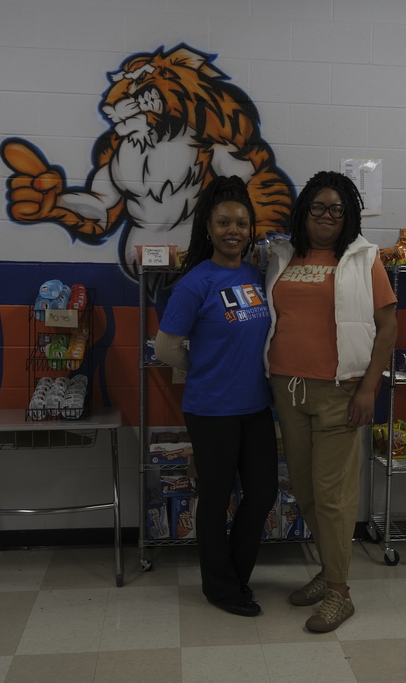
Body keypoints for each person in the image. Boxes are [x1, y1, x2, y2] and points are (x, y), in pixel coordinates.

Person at [263, 170, 398, 633]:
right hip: (288, 388)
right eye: (318, 207)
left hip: (340, 391)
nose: (326, 217)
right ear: (305, 211)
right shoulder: (283, 255)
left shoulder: (364, 258)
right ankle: (327, 571)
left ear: (348, 216)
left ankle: (340, 593)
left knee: (334, 495)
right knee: (305, 490)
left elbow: (388, 328)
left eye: (336, 210)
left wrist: (368, 389)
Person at [154, 176, 278, 617]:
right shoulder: (195, 283)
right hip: (211, 410)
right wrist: (204, 370)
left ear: (251, 229)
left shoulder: (258, 275)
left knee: (262, 493)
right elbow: (166, 348)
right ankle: (220, 587)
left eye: (242, 223)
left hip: (257, 407)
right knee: (216, 499)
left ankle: (235, 575)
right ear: (208, 228)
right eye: (224, 222)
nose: (233, 230)